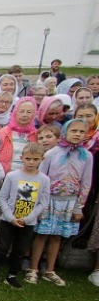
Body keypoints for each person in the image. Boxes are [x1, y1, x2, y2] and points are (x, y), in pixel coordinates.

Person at [28, 119, 93, 287]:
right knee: (42, 234)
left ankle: (49, 270)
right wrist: (39, 204)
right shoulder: (52, 154)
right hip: (49, 200)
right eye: (74, 131)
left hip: (69, 202)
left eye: (81, 132)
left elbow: (86, 182)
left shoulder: (87, 156)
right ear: (64, 132)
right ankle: (33, 268)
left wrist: (79, 206)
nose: (77, 134)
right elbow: (41, 178)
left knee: (57, 236)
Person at [0, 142, 50, 288]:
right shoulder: (12, 176)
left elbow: (43, 202)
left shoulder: (44, 180)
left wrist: (27, 219)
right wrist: (10, 217)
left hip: (28, 222)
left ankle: (12, 274)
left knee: (19, 250)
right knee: (2, 247)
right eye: (28, 158)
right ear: (22, 158)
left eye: (35, 159)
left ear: (42, 159)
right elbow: (2, 198)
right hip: (8, 220)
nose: (31, 162)